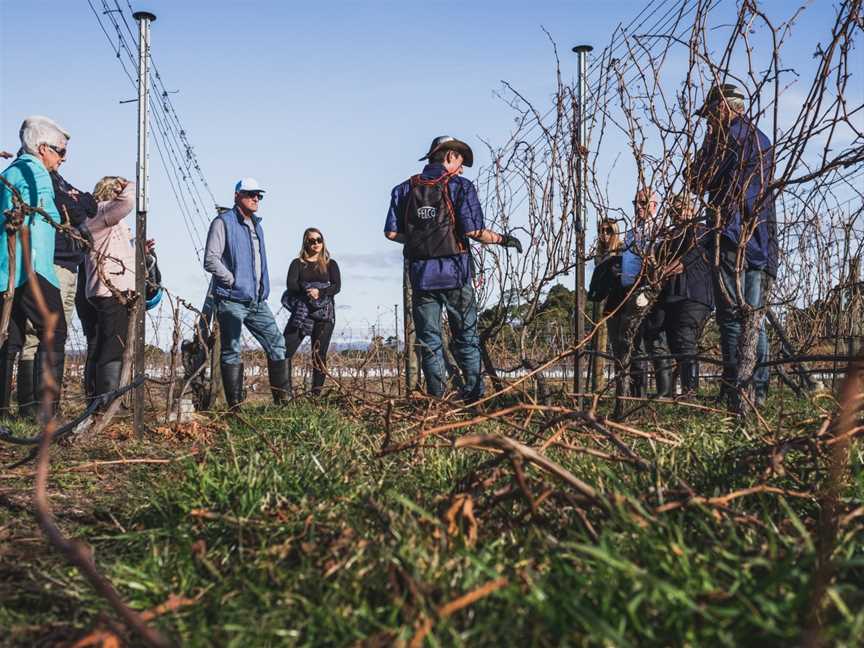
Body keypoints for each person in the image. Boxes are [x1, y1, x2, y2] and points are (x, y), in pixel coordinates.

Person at [384, 136, 522, 403]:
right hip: (456, 274)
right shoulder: (461, 187)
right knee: (466, 336)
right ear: (448, 156)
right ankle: (474, 398)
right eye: (460, 161)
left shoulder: (403, 189)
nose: (461, 169)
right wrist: (504, 239)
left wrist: (415, 241)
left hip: (421, 278)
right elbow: (474, 231)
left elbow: (391, 232)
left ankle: (439, 400)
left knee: (429, 340)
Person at [688, 83, 778, 408]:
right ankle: (759, 393)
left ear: (724, 109)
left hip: (728, 235)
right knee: (754, 319)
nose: (708, 123)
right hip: (758, 239)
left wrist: (706, 150)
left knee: (730, 317)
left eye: (710, 116)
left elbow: (696, 180)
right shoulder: (761, 140)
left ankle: (734, 392)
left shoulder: (725, 139)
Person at [0, 116, 71, 419]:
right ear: (42, 148)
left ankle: (2, 412)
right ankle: (46, 414)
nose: (62, 159)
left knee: (8, 338)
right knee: (54, 329)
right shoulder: (35, 173)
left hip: (7, 267)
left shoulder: (10, 171)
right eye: (60, 151)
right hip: (33, 264)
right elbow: (41, 212)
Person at [16, 170, 98, 417]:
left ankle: (45, 406)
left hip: (71, 264)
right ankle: (32, 408)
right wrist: (74, 201)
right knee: (40, 334)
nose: (63, 156)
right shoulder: (41, 178)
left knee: (56, 334)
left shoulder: (59, 179)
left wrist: (77, 199)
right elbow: (75, 210)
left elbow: (89, 205)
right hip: (53, 262)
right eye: (59, 149)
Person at [203, 178, 289, 409]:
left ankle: (283, 405)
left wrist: (261, 288)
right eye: (251, 194)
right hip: (232, 299)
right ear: (237, 196)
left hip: (257, 301)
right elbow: (210, 259)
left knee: (277, 343)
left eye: (259, 195)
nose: (255, 199)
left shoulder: (257, 226)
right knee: (231, 349)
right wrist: (231, 280)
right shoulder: (223, 222)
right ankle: (235, 409)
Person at [642, 193, 714, 395]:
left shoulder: (700, 231)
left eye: (682, 209)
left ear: (691, 210)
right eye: (673, 211)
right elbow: (657, 258)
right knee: (672, 340)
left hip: (693, 295)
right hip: (672, 295)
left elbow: (688, 258)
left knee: (685, 340)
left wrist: (664, 270)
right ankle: (670, 390)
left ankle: (690, 392)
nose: (678, 214)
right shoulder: (669, 237)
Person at [607, 188, 664, 407]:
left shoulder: (658, 231)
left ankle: (643, 394)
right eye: (635, 203)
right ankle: (632, 394)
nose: (638, 207)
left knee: (635, 340)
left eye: (643, 203)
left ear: (653, 205)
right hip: (627, 289)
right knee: (629, 343)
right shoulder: (631, 233)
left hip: (644, 290)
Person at [83, 176, 139, 397]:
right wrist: (130, 184)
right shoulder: (102, 211)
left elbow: (115, 250)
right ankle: (105, 402)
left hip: (111, 289)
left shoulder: (109, 220)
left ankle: (98, 400)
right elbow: (127, 203)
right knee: (112, 348)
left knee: (101, 347)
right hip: (110, 291)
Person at [282, 228, 341, 396]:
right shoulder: (297, 263)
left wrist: (320, 292)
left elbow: (336, 287)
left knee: (318, 355)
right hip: (302, 313)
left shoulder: (331, 264)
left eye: (319, 240)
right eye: (311, 240)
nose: (316, 243)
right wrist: (307, 289)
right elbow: (291, 285)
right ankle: (284, 395)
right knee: (284, 350)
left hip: (324, 315)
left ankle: (316, 396)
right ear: (305, 243)